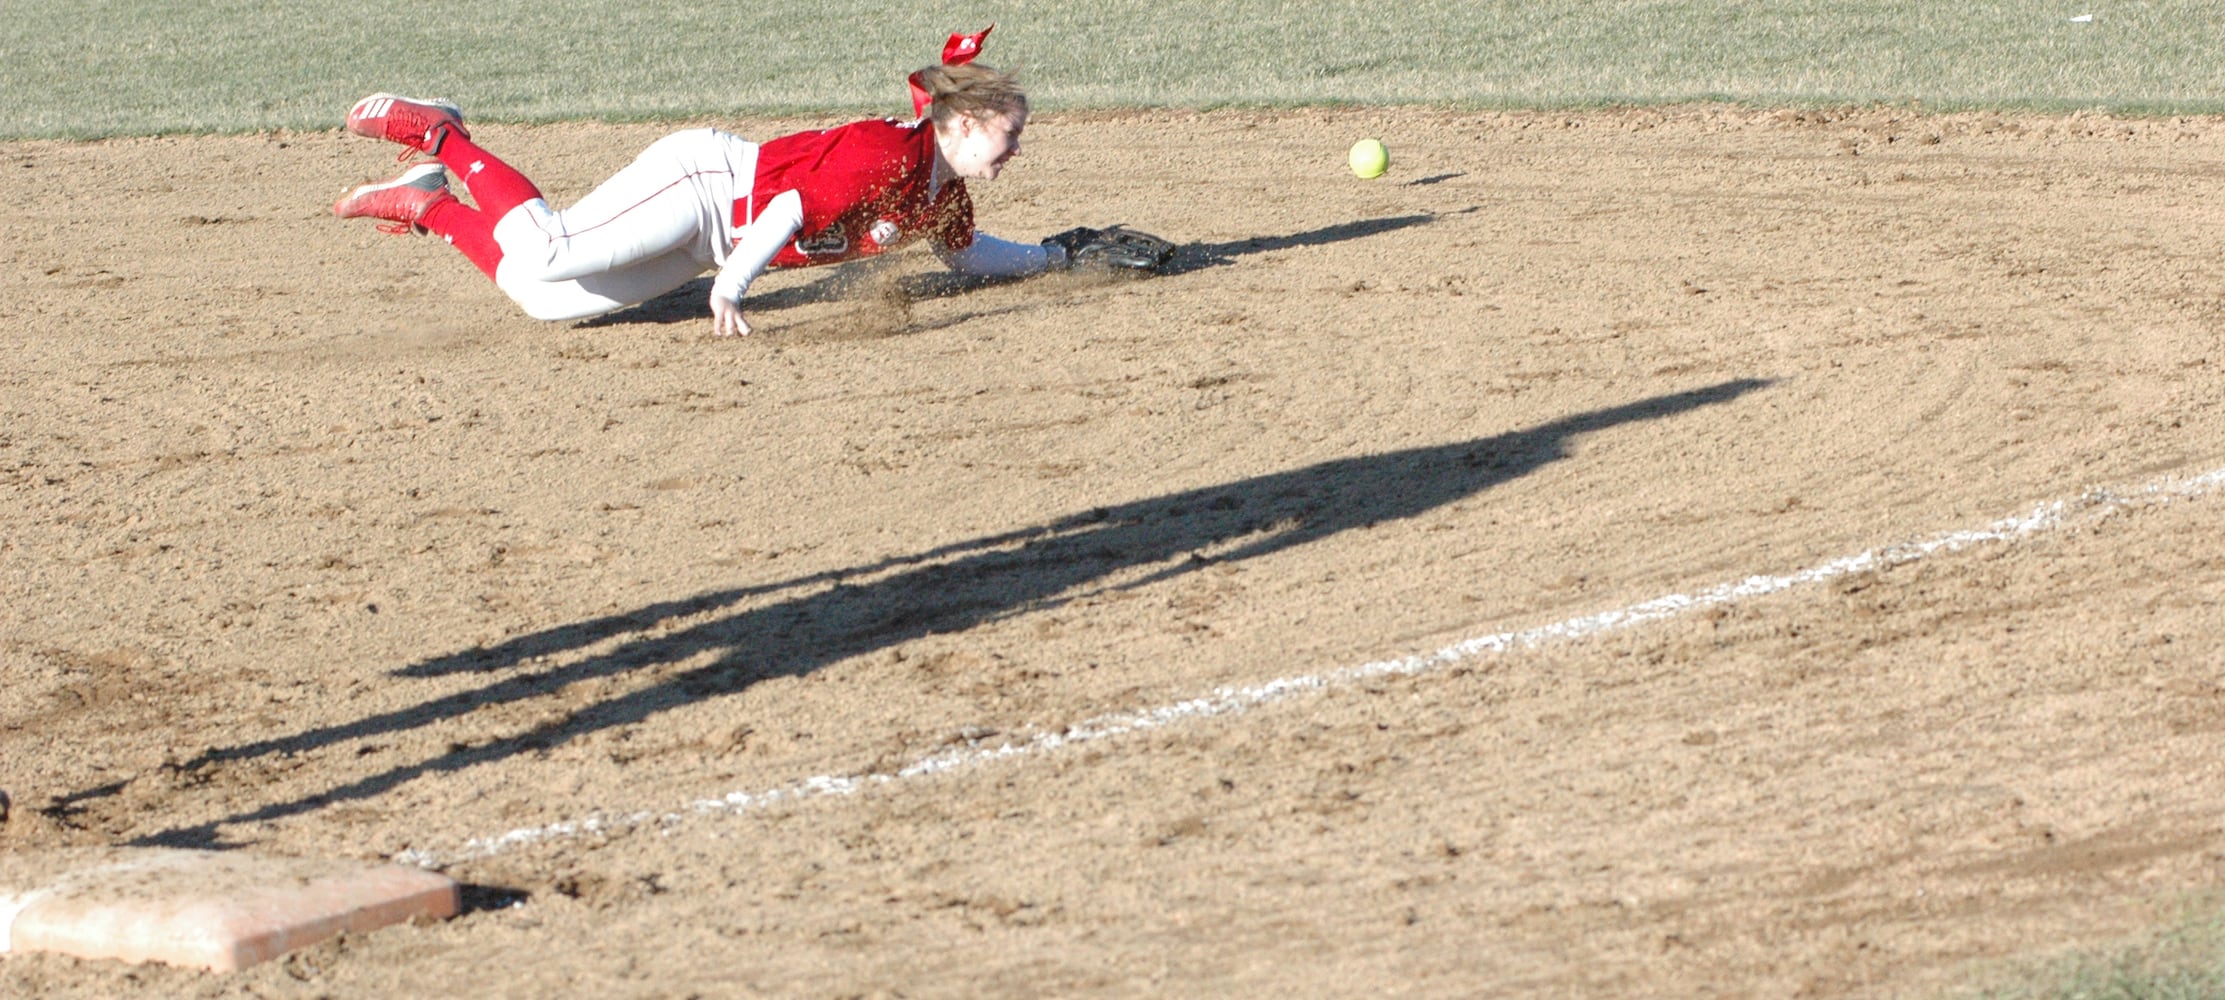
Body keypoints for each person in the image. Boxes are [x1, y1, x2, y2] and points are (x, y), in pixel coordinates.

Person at [331, 34, 1076, 337]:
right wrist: (732, 288)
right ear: (968, 121)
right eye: (1010, 133)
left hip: (713, 240)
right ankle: (439, 134)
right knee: (549, 250)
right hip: (703, 187)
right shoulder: (890, 151)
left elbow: (967, 255)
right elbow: (785, 207)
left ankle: (427, 204)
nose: (1016, 148)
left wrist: (1057, 257)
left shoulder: (942, 192)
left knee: (544, 302)